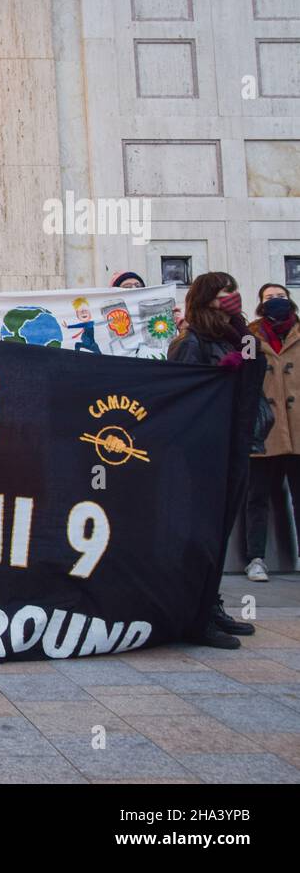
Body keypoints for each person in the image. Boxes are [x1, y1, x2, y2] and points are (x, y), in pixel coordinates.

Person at [168, 272, 261, 648]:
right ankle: (195, 614)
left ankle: (212, 603)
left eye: (235, 290)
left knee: (219, 531)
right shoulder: (190, 343)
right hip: (201, 453)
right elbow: (180, 396)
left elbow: (256, 368)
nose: (232, 296)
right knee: (200, 535)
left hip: (234, 444)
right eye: (225, 291)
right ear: (206, 297)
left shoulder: (235, 337)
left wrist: (240, 330)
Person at [245, 283, 300, 583]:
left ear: (289, 301)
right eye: (269, 298)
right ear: (261, 305)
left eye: (280, 296)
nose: (275, 301)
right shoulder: (249, 337)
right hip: (263, 430)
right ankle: (256, 558)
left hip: (298, 429)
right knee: (257, 497)